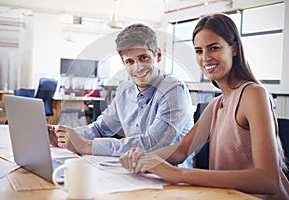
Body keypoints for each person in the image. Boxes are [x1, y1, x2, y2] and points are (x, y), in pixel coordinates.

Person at [119, 14, 289, 199]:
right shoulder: (217, 104)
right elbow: (181, 151)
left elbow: (268, 180)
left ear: (234, 49)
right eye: (199, 51)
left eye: (213, 48)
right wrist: (141, 158)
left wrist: (178, 174)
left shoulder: (253, 94)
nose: (205, 58)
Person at [48, 23, 195, 167]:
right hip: (132, 172)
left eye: (144, 58)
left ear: (158, 55)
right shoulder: (125, 90)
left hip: (172, 179)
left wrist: (87, 146)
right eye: (130, 61)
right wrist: (63, 136)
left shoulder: (174, 89)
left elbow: (153, 144)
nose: (138, 67)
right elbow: (100, 129)